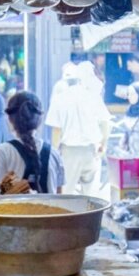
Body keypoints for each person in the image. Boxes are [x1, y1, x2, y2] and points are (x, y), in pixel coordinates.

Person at [45, 62, 111, 196]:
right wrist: (103, 144)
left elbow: (57, 130)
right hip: (91, 151)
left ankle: (69, 217)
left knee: (67, 193)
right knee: (91, 195)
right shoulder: (93, 97)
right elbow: (105, 123)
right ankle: (91, 217)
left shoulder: (59, 98)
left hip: (69, 152)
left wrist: (55, 153)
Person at [0, 91, 64, 194]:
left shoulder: (2, 152)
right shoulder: (54, 154)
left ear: (9, 119)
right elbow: (60, 198)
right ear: (40, 120)